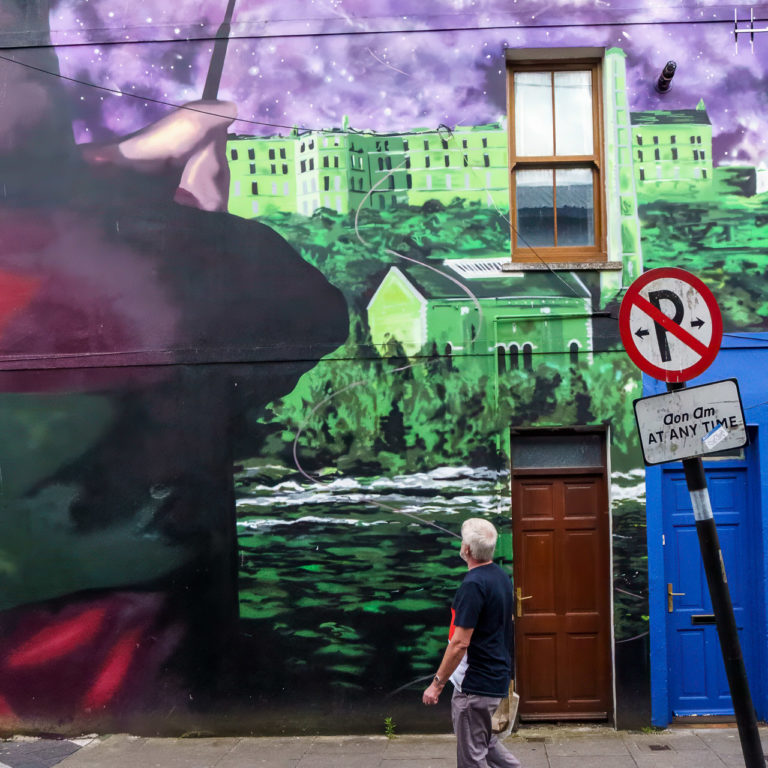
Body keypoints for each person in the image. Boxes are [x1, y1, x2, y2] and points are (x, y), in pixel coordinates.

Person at [422, 518, 520, 768]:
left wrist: (437, 684)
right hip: (494, 678)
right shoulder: (500, 577)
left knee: (472, 758)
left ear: (466, 549)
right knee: (484, 743)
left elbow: (459, 643)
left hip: (475, 685)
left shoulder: (473, 586)